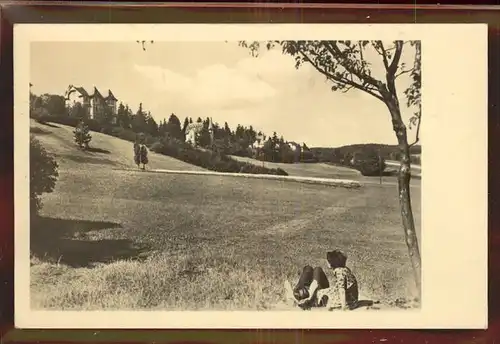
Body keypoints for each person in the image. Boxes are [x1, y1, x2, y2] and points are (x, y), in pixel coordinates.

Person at [285, 250, 359, 311]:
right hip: (347, 298)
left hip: (344, 301)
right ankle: (302, 292)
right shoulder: (344, 269)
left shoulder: (339, 272)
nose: (326, 262)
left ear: (331, 262)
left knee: (316, 271)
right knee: (312, 269)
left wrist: (343, 308)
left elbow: (342, 289)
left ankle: (300, 297)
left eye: (327, 261)